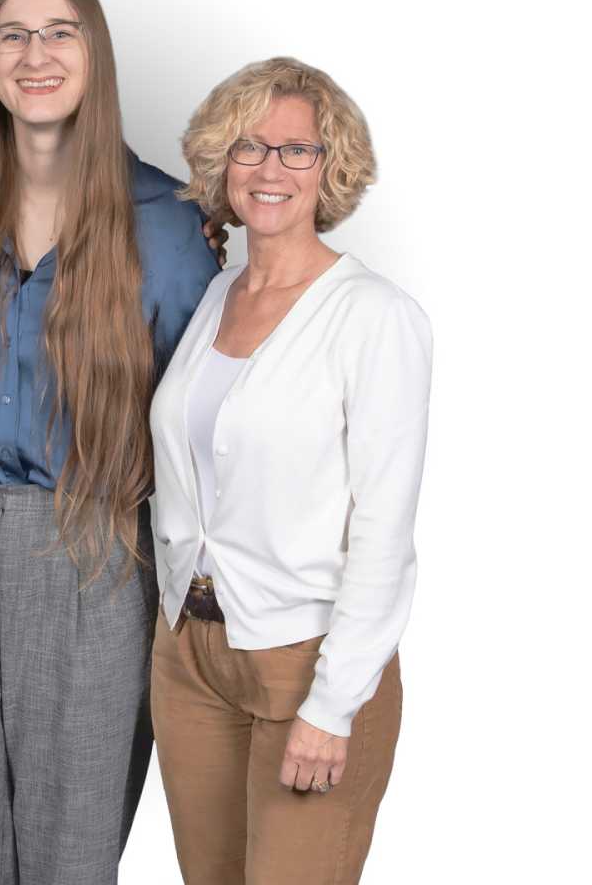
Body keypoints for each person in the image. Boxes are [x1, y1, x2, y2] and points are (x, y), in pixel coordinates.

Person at [0, 0, 220, 885]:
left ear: (96, 55)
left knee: (73, 843)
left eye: (60, 31)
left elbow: (199, 412)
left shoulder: (165, 222)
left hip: (95, 540)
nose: (35, 54)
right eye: (12, 34)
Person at [148, 57, 432, 885]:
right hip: (189, 652)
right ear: (220, 162)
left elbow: (384, 526)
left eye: (296, 151)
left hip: (305, 659)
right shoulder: (217, 295)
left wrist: (334, 702)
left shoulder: (374, 316)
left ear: (330, 166)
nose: (269, 170)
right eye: (248, 147)